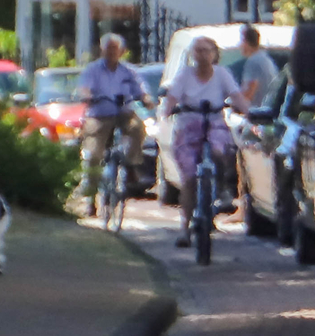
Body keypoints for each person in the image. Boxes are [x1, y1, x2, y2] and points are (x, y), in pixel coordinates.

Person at [165, 37, 241, 247]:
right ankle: (184, 228)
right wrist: (169, 107)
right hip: (189, 125)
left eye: (206, 51)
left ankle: (222, 187)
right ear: (192, 54)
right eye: (197, 51)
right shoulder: (184, 75)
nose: (202, 55)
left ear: (215, 54)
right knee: (189, 178)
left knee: (221, 149)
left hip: (214, 122)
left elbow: (236, 96)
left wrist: (245, 108)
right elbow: (172, 97)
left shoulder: (222, 74)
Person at [77, 34, 153, 213]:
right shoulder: (92, 70)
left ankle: (131, 165)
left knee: (138, 128)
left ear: (122, 51)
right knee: (94, 153)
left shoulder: (129, 71)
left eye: (115, 48)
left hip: (124, 113)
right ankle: (90, 198)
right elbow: (84, 88)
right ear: (102, 50)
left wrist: (146, 98)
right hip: (100, 114)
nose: (111, 52)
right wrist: (87, 95)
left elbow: (141, 89)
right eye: (108, 48)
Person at [230, 24, 279, 109]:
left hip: (257, 113)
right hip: (267, 109)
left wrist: (232, 103)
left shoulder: (253, 62)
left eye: (241, 41)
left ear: (246, 42)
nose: (239, 45)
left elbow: (248, 93)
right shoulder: (264, 58)